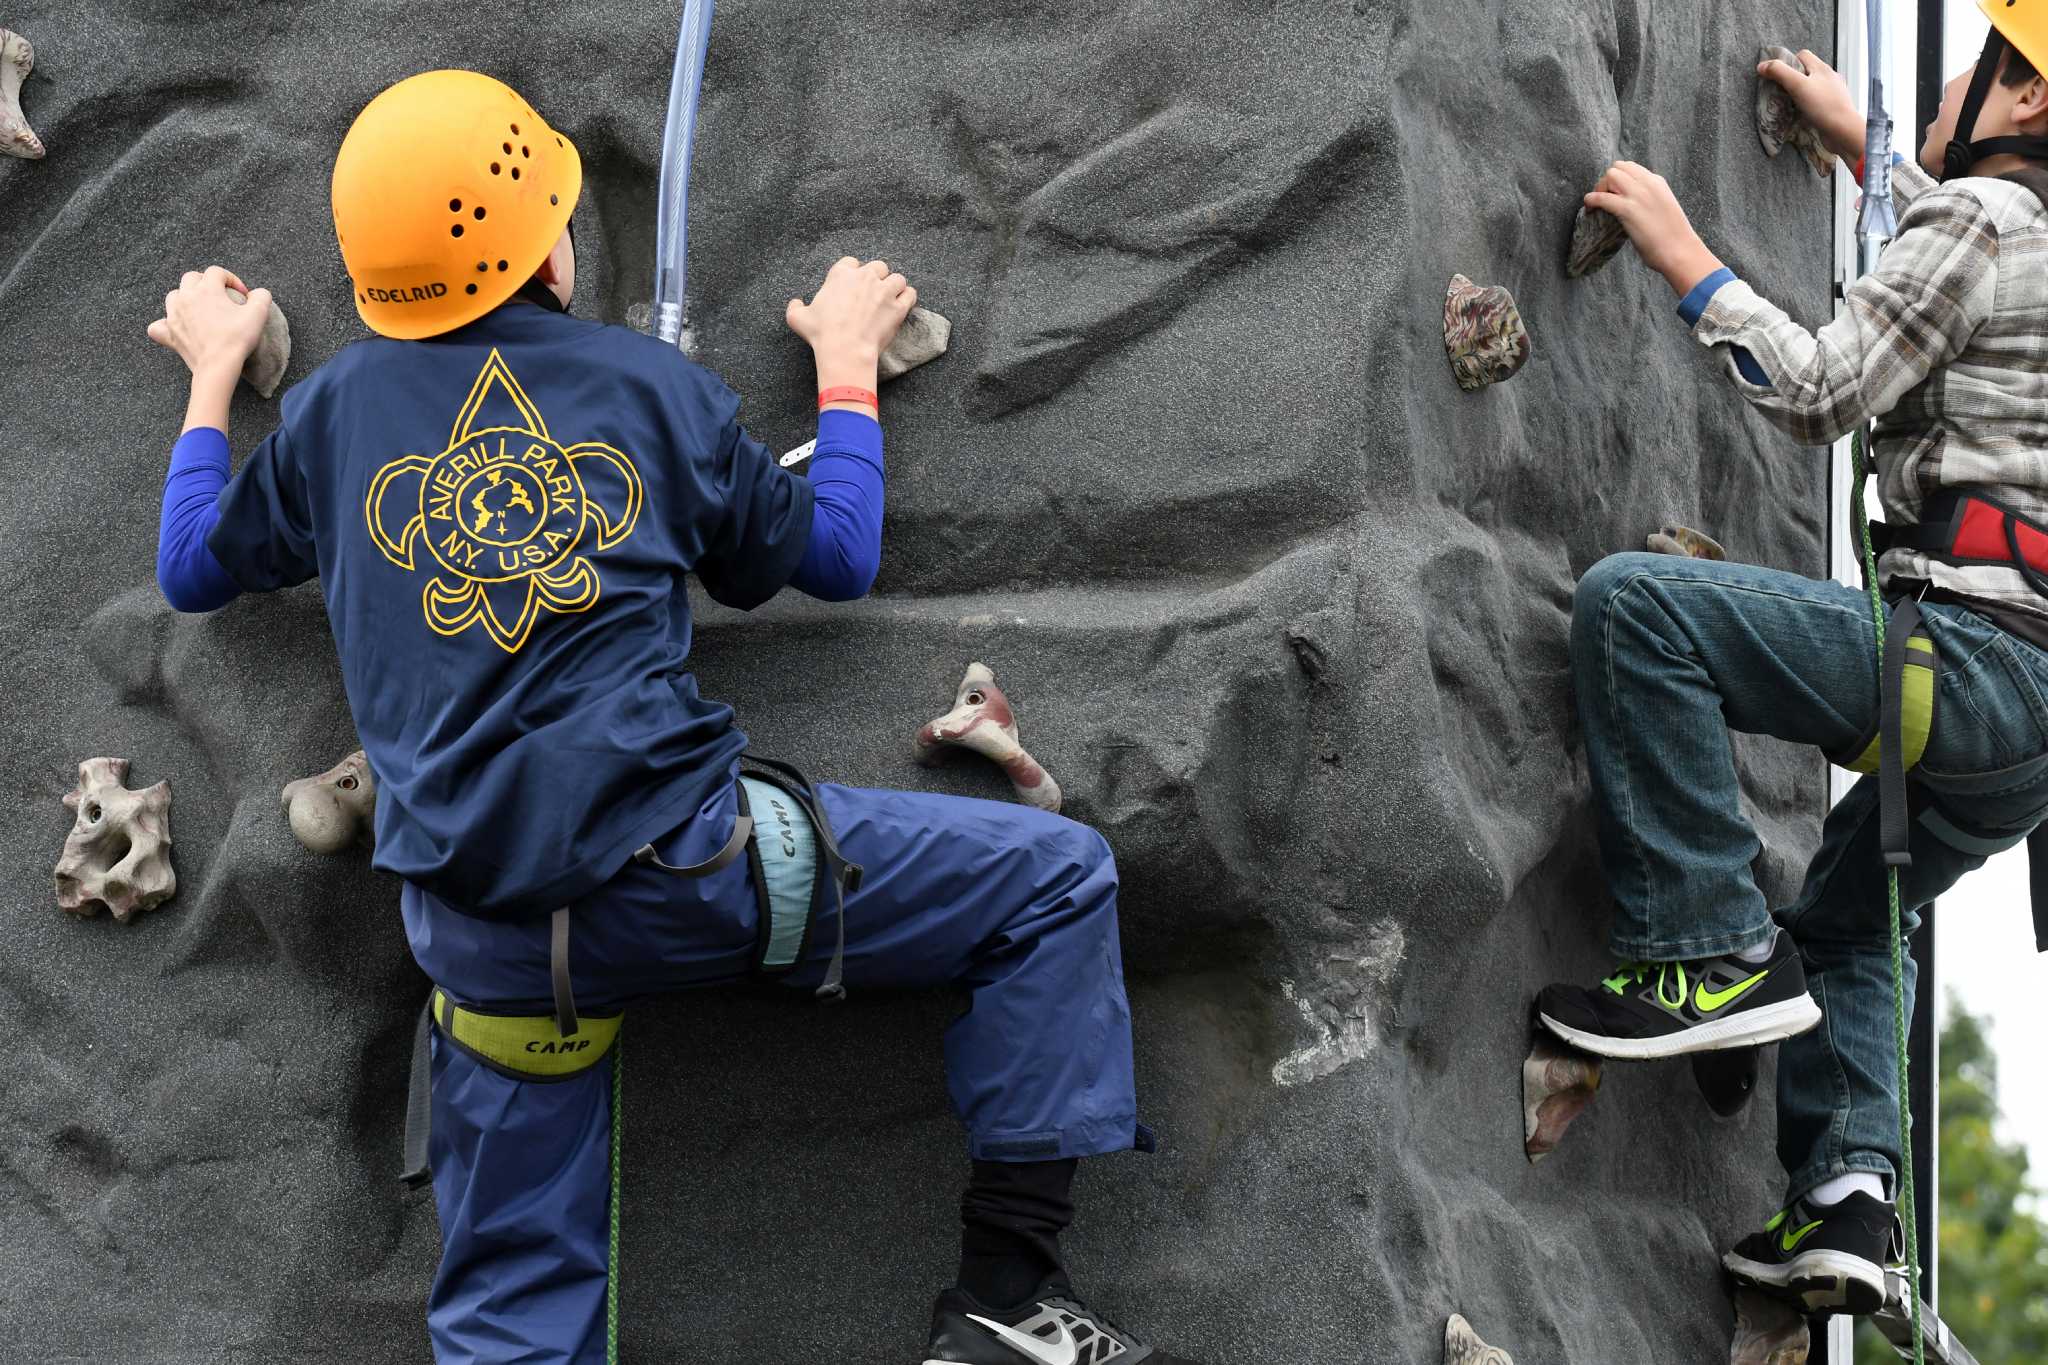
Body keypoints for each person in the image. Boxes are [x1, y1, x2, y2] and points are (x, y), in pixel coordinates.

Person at [148, 69, 1201, 1365]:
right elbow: (837, 550)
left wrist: (212, 373)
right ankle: (1004, 1296)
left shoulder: (328, 413)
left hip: (492, 948)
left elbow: (194, 564)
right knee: (1056, 882)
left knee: (515, 1328)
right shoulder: (652, 391)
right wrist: (849, 368)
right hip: (698, 870)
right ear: (545, 246)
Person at [1531, 6, 2048, 1320]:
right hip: (2024, 734)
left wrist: (1686, 256)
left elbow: (1827, 385)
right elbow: (1973, 300)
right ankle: (1850, 1197)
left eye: (1973, 63)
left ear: (2026, 102)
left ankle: (1703, 946)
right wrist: (1879, 160)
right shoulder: (2017, 241)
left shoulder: (1984, 226)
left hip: (1966, 657)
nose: (1939, 81)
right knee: (1857, 918)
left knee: (1640, 612)